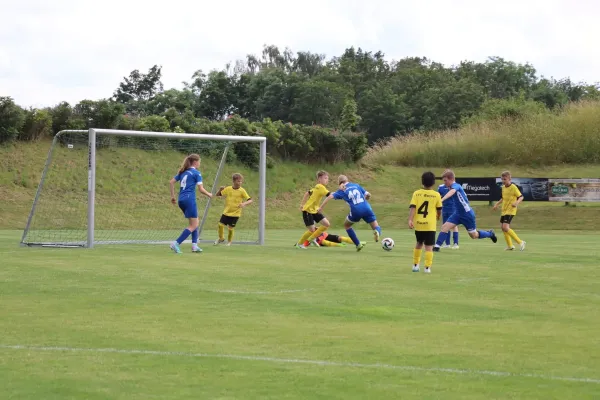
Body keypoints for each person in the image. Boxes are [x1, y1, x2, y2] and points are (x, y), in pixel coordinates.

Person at [433, 169, 497, 251]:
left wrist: (441, 200)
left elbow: (452, 192)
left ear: (451, 179)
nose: (444, 182)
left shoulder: (456, 186)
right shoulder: (449, 187)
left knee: (474, 235)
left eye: (445, 180)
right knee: (445, 227)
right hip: (457, 214)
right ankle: (437, 247)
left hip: (467, 214)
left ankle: (490, 234)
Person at [319, 175, 382, 252]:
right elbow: (368, 195)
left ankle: (358, 244)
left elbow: (329, 197)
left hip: (356, 210)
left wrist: (321, 207)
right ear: (347, 180)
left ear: (339, 183)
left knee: (347, 225)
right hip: (366, 207)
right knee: (376, 226)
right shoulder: (356, 185)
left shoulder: (342, 190)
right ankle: (377, 232)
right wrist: (365, 199)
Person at [169, 154, 212, 254]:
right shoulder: (196, 173)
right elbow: (201, 189)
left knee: (195, 222)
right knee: (194, 224)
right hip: (189, 199)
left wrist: (172, 196)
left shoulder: (183, 172)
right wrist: (209, 194)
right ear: (195, 162)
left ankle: (194, 246)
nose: (199, 164)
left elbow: (171, 182)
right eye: (199, 162)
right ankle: (176, 243)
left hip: (181, 200)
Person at [409, 171, 443, 273]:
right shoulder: (436, 195)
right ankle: (427, 268)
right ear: (433, 183)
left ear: (422, 182)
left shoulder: (417, 193)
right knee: (429, 247)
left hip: (419, 224)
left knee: (419, 243)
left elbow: (413, 208)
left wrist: (410, 219)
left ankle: (415, 265)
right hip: (430, 225)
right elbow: (439, 209)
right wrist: (438, 216)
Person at [214, 173, 253, 246]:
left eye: (241, 181)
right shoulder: (228, 189)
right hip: (226, 212)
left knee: (230, 228)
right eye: (238, 181)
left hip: (236, 213)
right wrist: (220, 189)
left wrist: (244, 204)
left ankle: (229, 242)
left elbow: (250, 200)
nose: (240, 183)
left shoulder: (242, 190)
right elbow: (218, 195)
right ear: (234, 181)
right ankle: (221, 238)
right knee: (220, 225)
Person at [296, 170, 331, 248]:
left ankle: (312, 238)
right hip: (308, 210)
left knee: (326, 224)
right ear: (319, 179)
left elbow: (307, 193)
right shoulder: (321, 187)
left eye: (327, 178)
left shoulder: (317, 187)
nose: (327, 180)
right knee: (312, 230)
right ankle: (299, 244)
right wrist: (341, 192)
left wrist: (302, 204)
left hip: (315, 210)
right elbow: (330, 195)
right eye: (325, 178)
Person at [493, 171, 526, 251]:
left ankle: (521, 242)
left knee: (505, 227)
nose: (503, 181)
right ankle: (510, 245)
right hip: (504, 210)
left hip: (511, 210)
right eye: (502, 179)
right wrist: (497, 204)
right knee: (503, 228)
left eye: (505, 179)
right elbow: (503, 198)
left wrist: (516, 203)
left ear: (509, 179)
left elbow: (521, 197)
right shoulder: (503, 188)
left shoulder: (513, 187)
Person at [438, 174, 459, 249]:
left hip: (453, 209)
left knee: (454, 226)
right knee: (445, 225)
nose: (444, 182)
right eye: (444, 180)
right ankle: (447, 243)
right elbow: (438, 197)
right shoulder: (441, 187)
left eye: (446, 180)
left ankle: (456, 243)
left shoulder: (453, 187)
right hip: (445, 208)